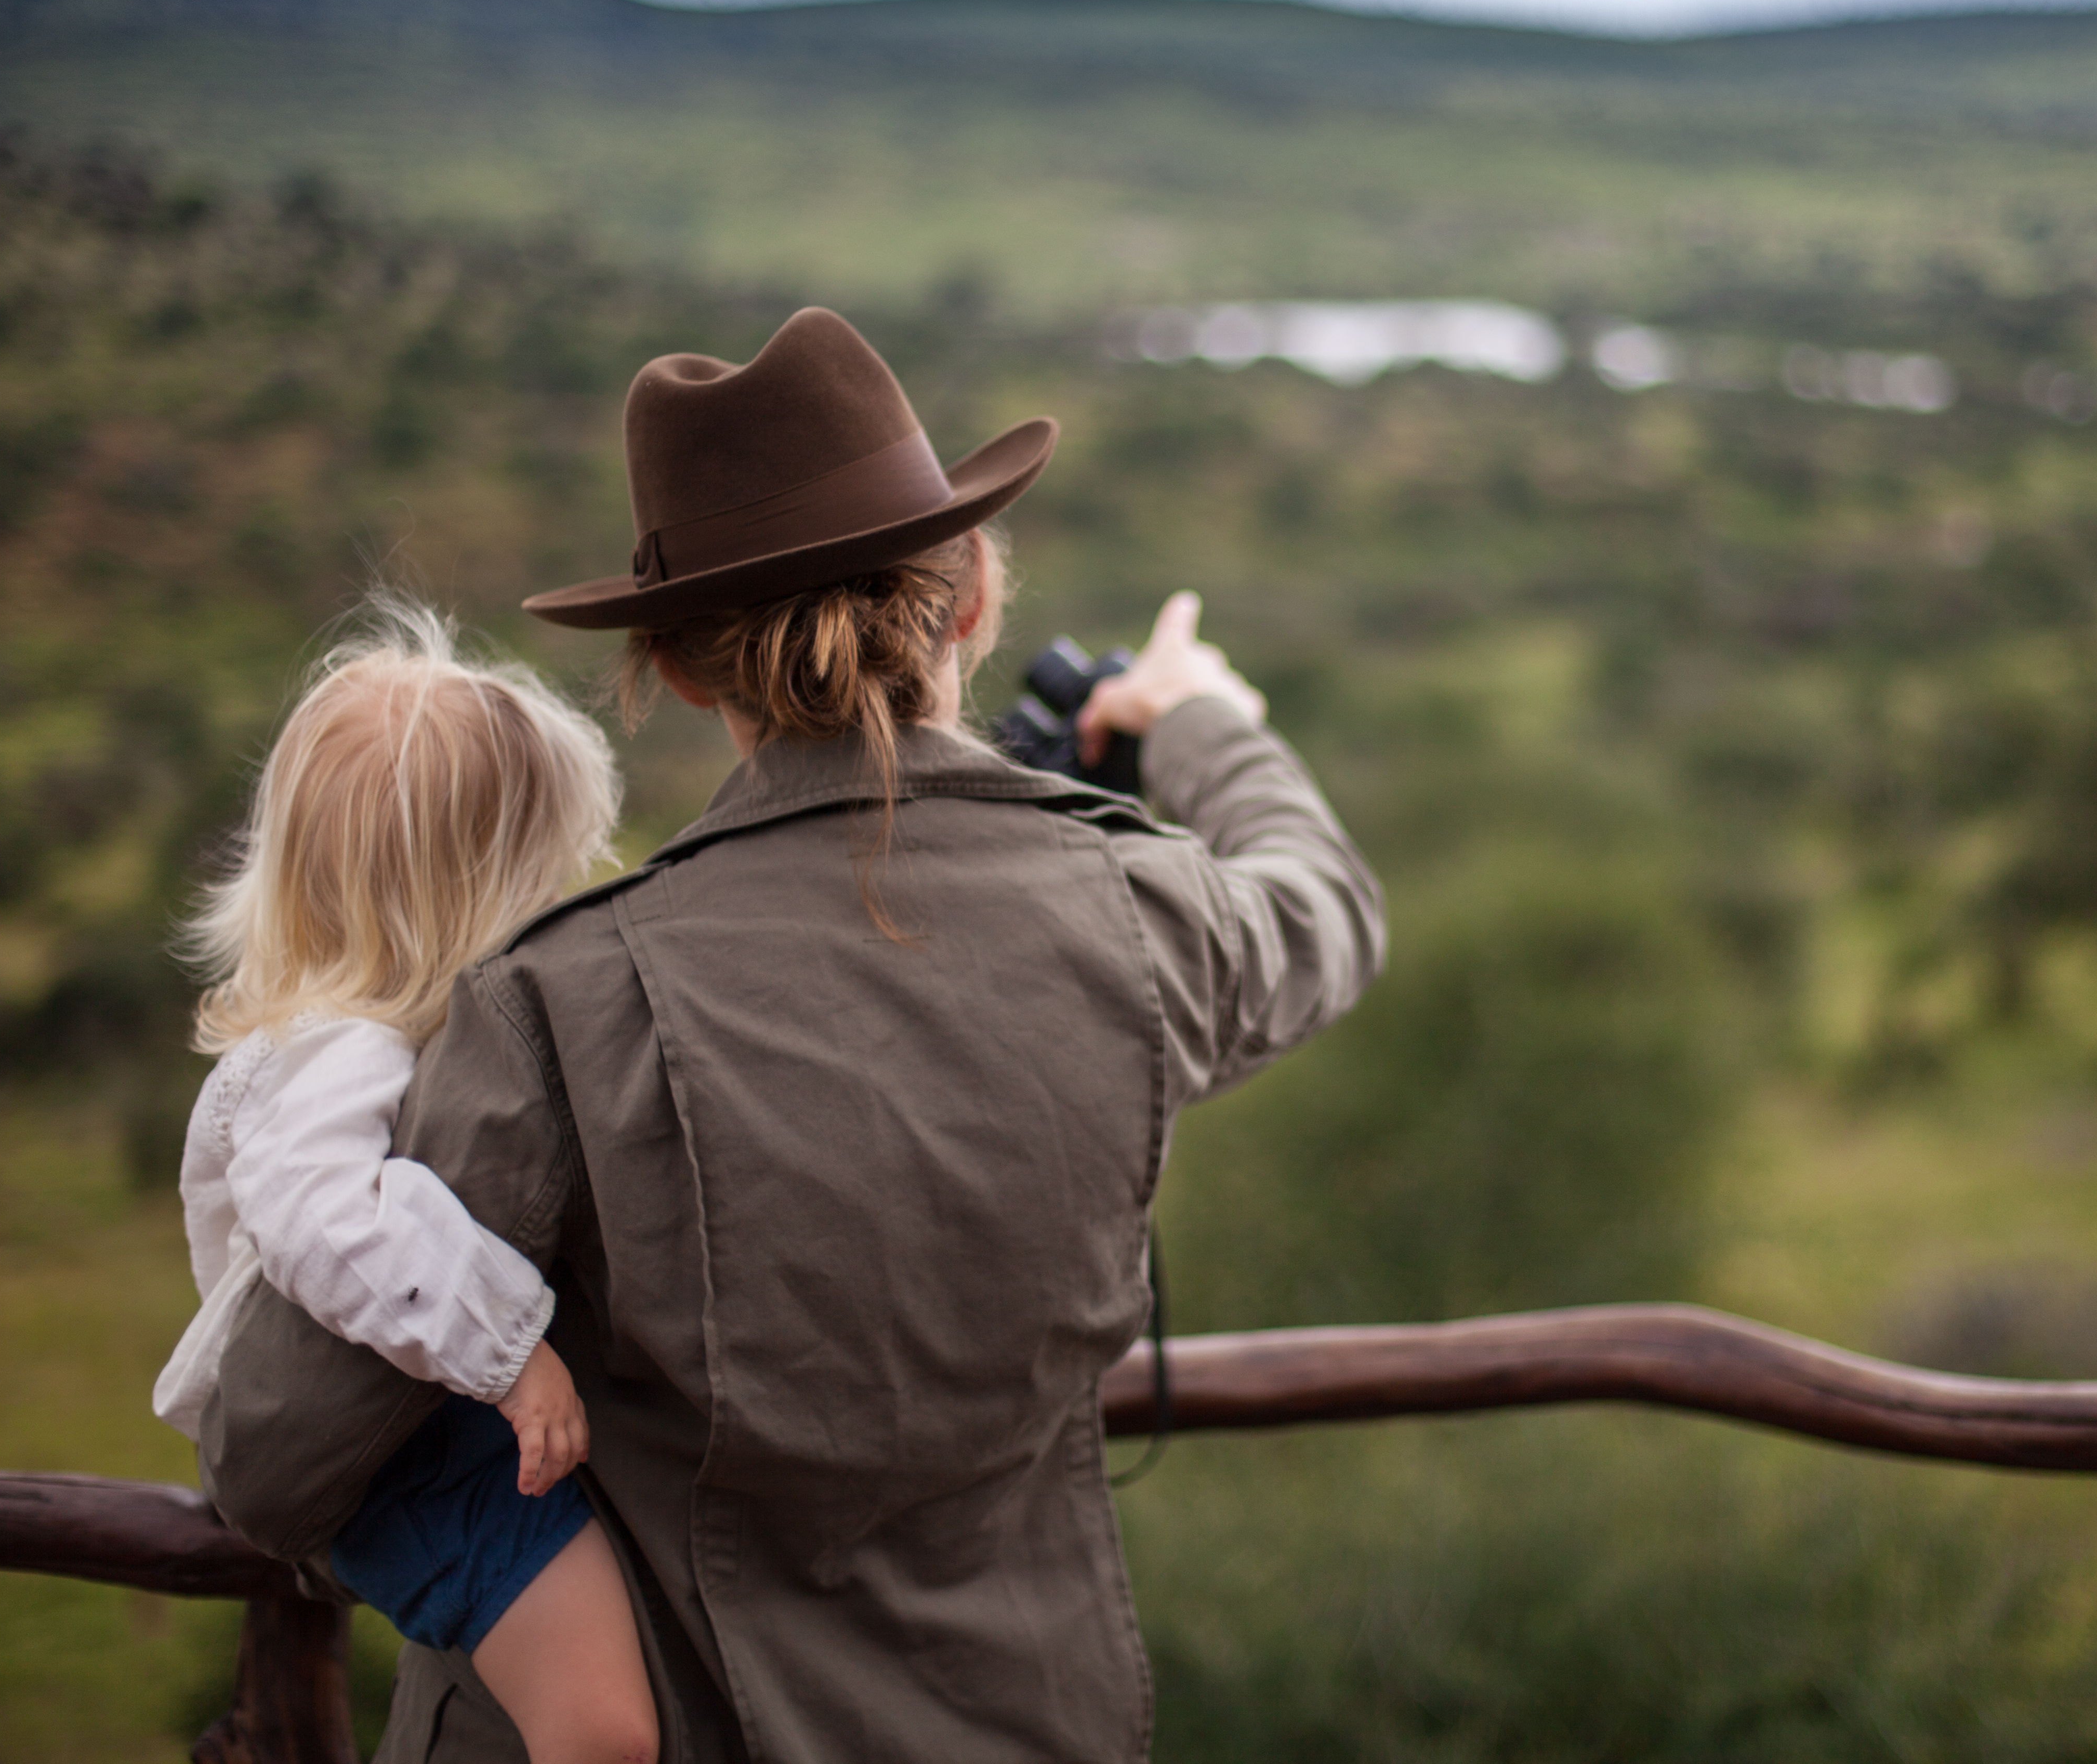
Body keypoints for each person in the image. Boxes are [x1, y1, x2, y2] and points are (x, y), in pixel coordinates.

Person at [194, 307, 1388, 1759]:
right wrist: (1198, 718)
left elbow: (275, 1450)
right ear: (969, 604)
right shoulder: (1143, 911)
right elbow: (1326, 909)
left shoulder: (561, 1008)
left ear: (682, 673)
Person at [157, 604, 660, 1764]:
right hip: (416, 1465)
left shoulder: (343, 1035)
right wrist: (511, 1349)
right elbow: (330, 1224)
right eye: (548, 872)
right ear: (478, 892)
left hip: (415, 1429)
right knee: (603, 1730)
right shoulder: (344, 1054)